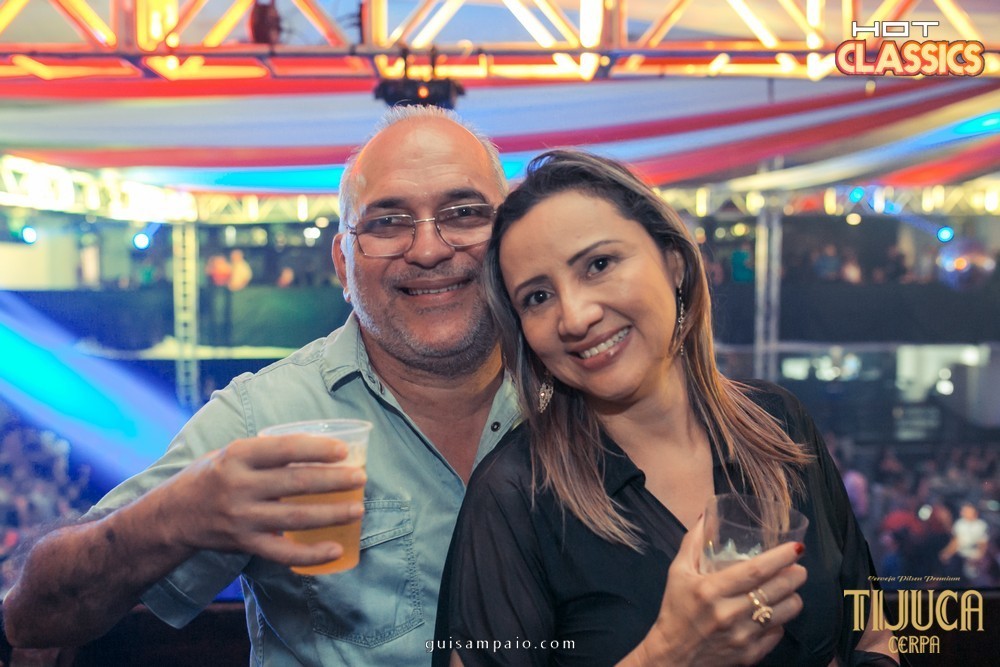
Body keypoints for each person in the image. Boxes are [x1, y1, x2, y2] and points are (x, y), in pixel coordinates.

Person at [3, 106, 519, 666]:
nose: (429, 249)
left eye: (464, 213)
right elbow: (34, 616)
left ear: (511, 237)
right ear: (343, 265)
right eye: (387, 223)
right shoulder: (263, 417)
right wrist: (175, 514)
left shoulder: (572, 390)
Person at [434, 151, 896, 666]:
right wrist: (670, 654)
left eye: (599, 265)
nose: (575, 317)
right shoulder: (515, 496)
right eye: (538, 297)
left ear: (673, 261)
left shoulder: (779, 423)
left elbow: (871, 637)